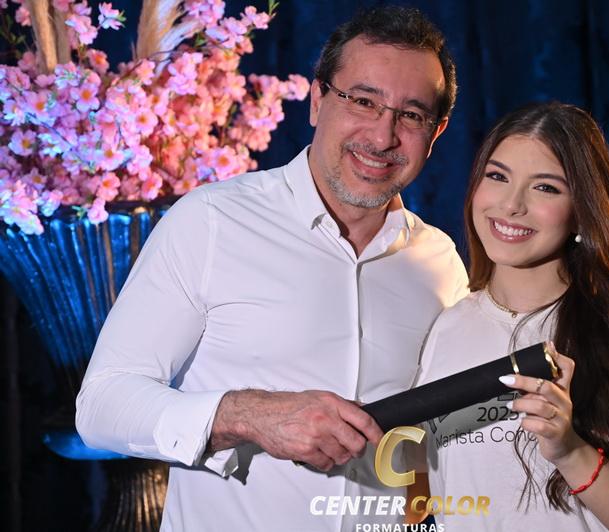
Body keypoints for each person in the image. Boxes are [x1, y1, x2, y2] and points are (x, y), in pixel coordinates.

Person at [75, 6, 468, 531]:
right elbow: (101, 407)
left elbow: (442, 446)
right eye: (363, 101)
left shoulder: (440, 263)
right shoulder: (211, 221)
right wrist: (247, 414)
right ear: (317, 99)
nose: (382, 136)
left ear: (436, 132)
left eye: (411, 115)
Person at [413, 102, 609, 531]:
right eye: (497, 176)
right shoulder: (447, 326)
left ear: (582, 209)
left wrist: (569, 450)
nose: (511, 205)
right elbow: (429, 495)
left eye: (545, 187)